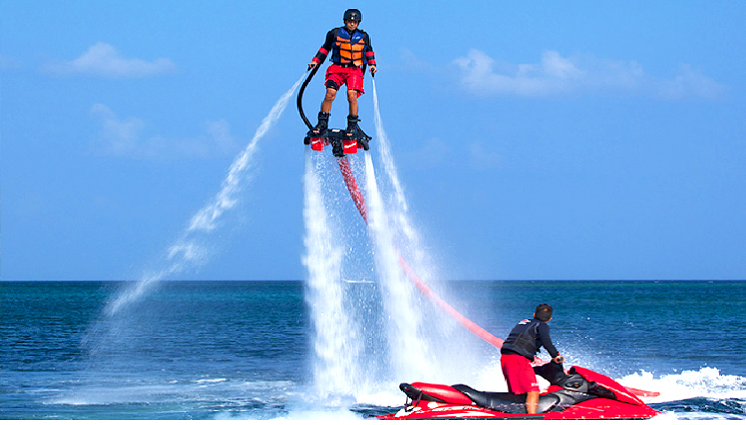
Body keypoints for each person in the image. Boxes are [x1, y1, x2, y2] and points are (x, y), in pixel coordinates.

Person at [307, 8, 377, 137]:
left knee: (352, 96)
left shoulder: (364, 36)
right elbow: (325, 48)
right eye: (350, 21)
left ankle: (352, 125)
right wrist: (315, 61)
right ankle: (322, 123)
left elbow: (369, 52)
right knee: (330, 94)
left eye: (355, 22)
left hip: (354, 70)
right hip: (337, 69)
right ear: (345, 21)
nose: (352, 24)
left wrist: (372, 65)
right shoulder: (334, 34)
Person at [500, 304, 565, 414]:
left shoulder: (523, 322)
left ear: (534, 315)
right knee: (533, 390)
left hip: (505, 358)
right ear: (549, 319)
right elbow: (546, 341)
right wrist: (555, 356)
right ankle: (532, 418)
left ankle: (514, 414)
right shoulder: (542, 325)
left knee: (516, 392)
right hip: (518, 359)